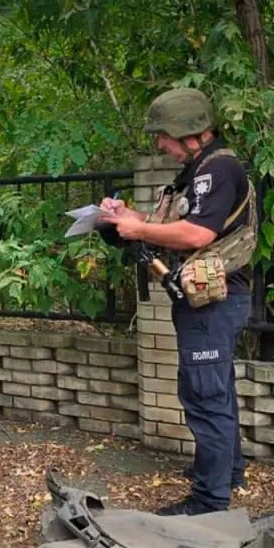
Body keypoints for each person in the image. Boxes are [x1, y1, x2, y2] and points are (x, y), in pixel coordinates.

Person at [98, 87, 254, 516]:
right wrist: (126, 218)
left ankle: (208, 502)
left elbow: (197, 235)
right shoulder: (198, 171)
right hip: (207, 302)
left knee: (205, 396)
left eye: (163, 135)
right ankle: (228, 472)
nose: (159, 145)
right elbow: (174, 224)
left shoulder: (219, 171)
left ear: (191, 132)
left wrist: (139, 231)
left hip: (214, 304)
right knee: (216, 390)